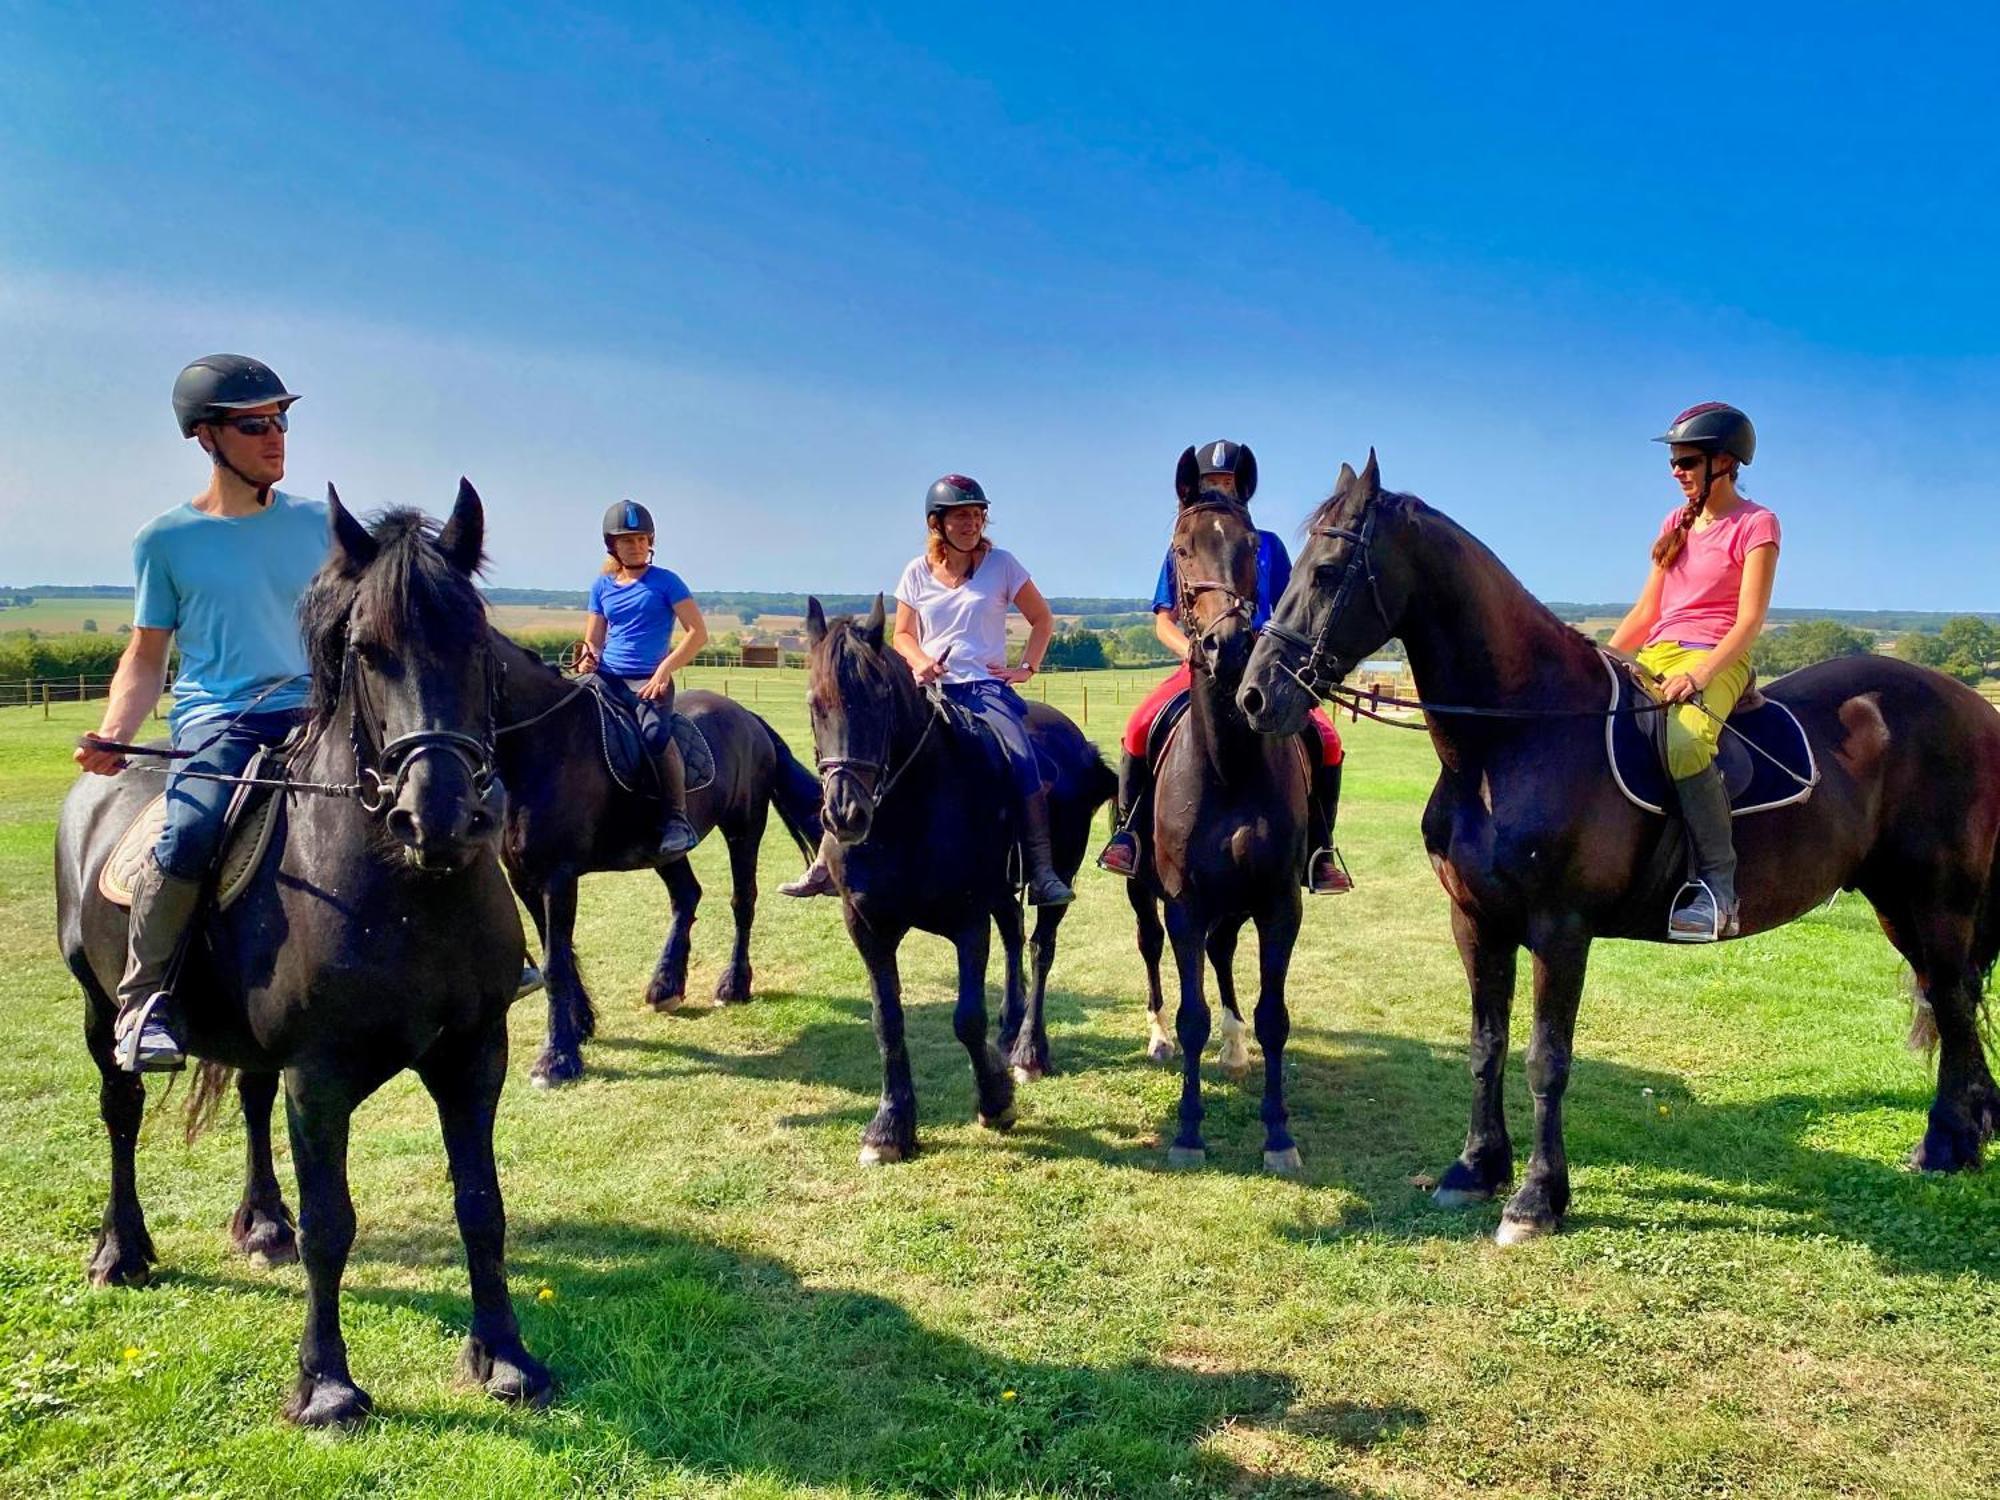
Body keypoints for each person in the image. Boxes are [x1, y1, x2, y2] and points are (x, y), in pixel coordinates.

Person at [75, 355, 324, 1072]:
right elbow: (148, 655)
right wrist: (118, 733)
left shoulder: (320, 524)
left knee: (431, 787)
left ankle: (490, 953)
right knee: (188, 831)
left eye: (281, 421)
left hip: (323, 709)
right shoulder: (165, 541)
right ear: (206, 437)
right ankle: (146, 999)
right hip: (227, 719)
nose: (276, 436)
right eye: (255, 424)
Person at [781, 474, 1074, 905]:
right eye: (961, 517)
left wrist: (1026, 667)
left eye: (977, 515)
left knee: (1020, 756)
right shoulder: (916, 572)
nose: (972, 523)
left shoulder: (1003, 565)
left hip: (982, 689)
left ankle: (1041, 869)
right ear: (936, 524)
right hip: (926, 687)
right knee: (861, 750)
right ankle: (827, 861)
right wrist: (920, 661)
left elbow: (1042, 619)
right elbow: (902, 634)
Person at [1095, 440, 1350, 893]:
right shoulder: (1184, 543)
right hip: (1198, 665)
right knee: (1138, 726)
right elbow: (1163, 621)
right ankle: (1129, 835)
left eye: (1227, 483)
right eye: (1211, 483)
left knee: (1327, 739)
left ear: (1243, 488)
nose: (1219, 491)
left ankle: (1320, 849)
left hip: (1261, 666)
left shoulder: (1267, 545)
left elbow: (1287, 609)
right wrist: (1189, 651)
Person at [1607, 402, 1779, 941]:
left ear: (1724, 462)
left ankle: (1717, 888)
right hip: (1657, 652)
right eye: (1674, 463)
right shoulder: (1675, 522)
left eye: (1686, 462)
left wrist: (1702, 676)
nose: (1676, 473)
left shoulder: (1757, 525)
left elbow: (1749, 621)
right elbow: (1645, 612)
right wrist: (1605, 658)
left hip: (1718, 656)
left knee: (1685, 743)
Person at [575, 500, 708, 859]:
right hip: (607, 677)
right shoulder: (601, 586)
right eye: (626, 540)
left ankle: (677, 819)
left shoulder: (666, 582)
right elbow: (595, 638)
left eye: (640, 539)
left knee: (654, 736)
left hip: (649, 680)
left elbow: (697, 633)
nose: (634, 546)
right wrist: (588, 657)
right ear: (612, 545)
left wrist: (664, 670)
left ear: (650, 541)